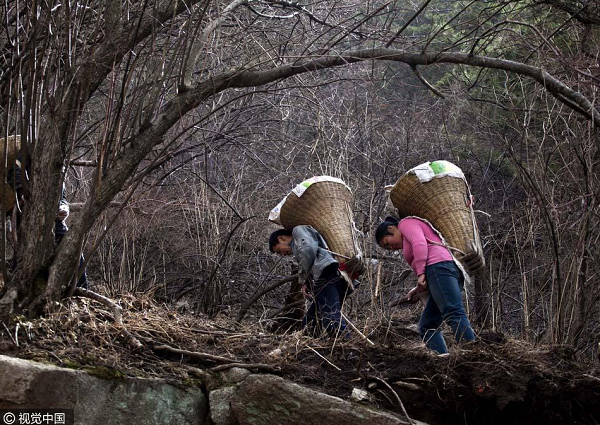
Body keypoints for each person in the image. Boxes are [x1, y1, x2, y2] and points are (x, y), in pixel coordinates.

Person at [376, 216, 474, 354]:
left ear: (391, 228)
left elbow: (419, 243)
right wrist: (419, 288)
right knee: (427, 326)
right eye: (387, 248)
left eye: (387, 243)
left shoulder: (405, 223)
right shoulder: (407, 236)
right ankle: (443, 360)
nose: (391, 248)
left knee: (453, 312)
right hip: (441, 271)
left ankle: (473, 355)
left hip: (440, 268)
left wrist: (421, 274)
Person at [7, 153, 87, 289]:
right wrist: (25, 193)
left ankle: (82, 291)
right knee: (22, 261)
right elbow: (13, 173)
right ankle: (17, 291)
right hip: (30, 221)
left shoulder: (60, 162)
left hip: (56, 223)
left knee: (75, 253)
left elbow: (62, 197)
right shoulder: (30, 152)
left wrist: (64, 208)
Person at [269, 226, 362, 337]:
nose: (283, 254)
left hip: (327, 275)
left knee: (330, 317)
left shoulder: (298, 230)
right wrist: (307, 283)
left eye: (279, 251)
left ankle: (346, 342)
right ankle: (309, 341)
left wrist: (303, 279)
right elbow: (311, 258)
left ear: (281, 238)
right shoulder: (298, 246)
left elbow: (308, 249)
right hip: (334, 276)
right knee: (311, 321)